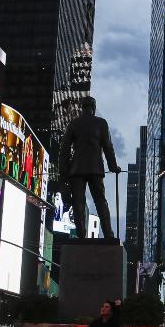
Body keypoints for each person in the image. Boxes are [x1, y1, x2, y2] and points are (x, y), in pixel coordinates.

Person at [58, 96, 122, 239]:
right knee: (100, 201)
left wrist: (63, 173)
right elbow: (108, 147)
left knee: (78, 202)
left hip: (77, 169)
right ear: (93, 107)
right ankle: (108, 235)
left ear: (82, 107)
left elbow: (64, 150)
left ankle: (81, 235)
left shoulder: (74, 124)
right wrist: (113, 166)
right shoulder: (101, 123)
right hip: (95, 168)